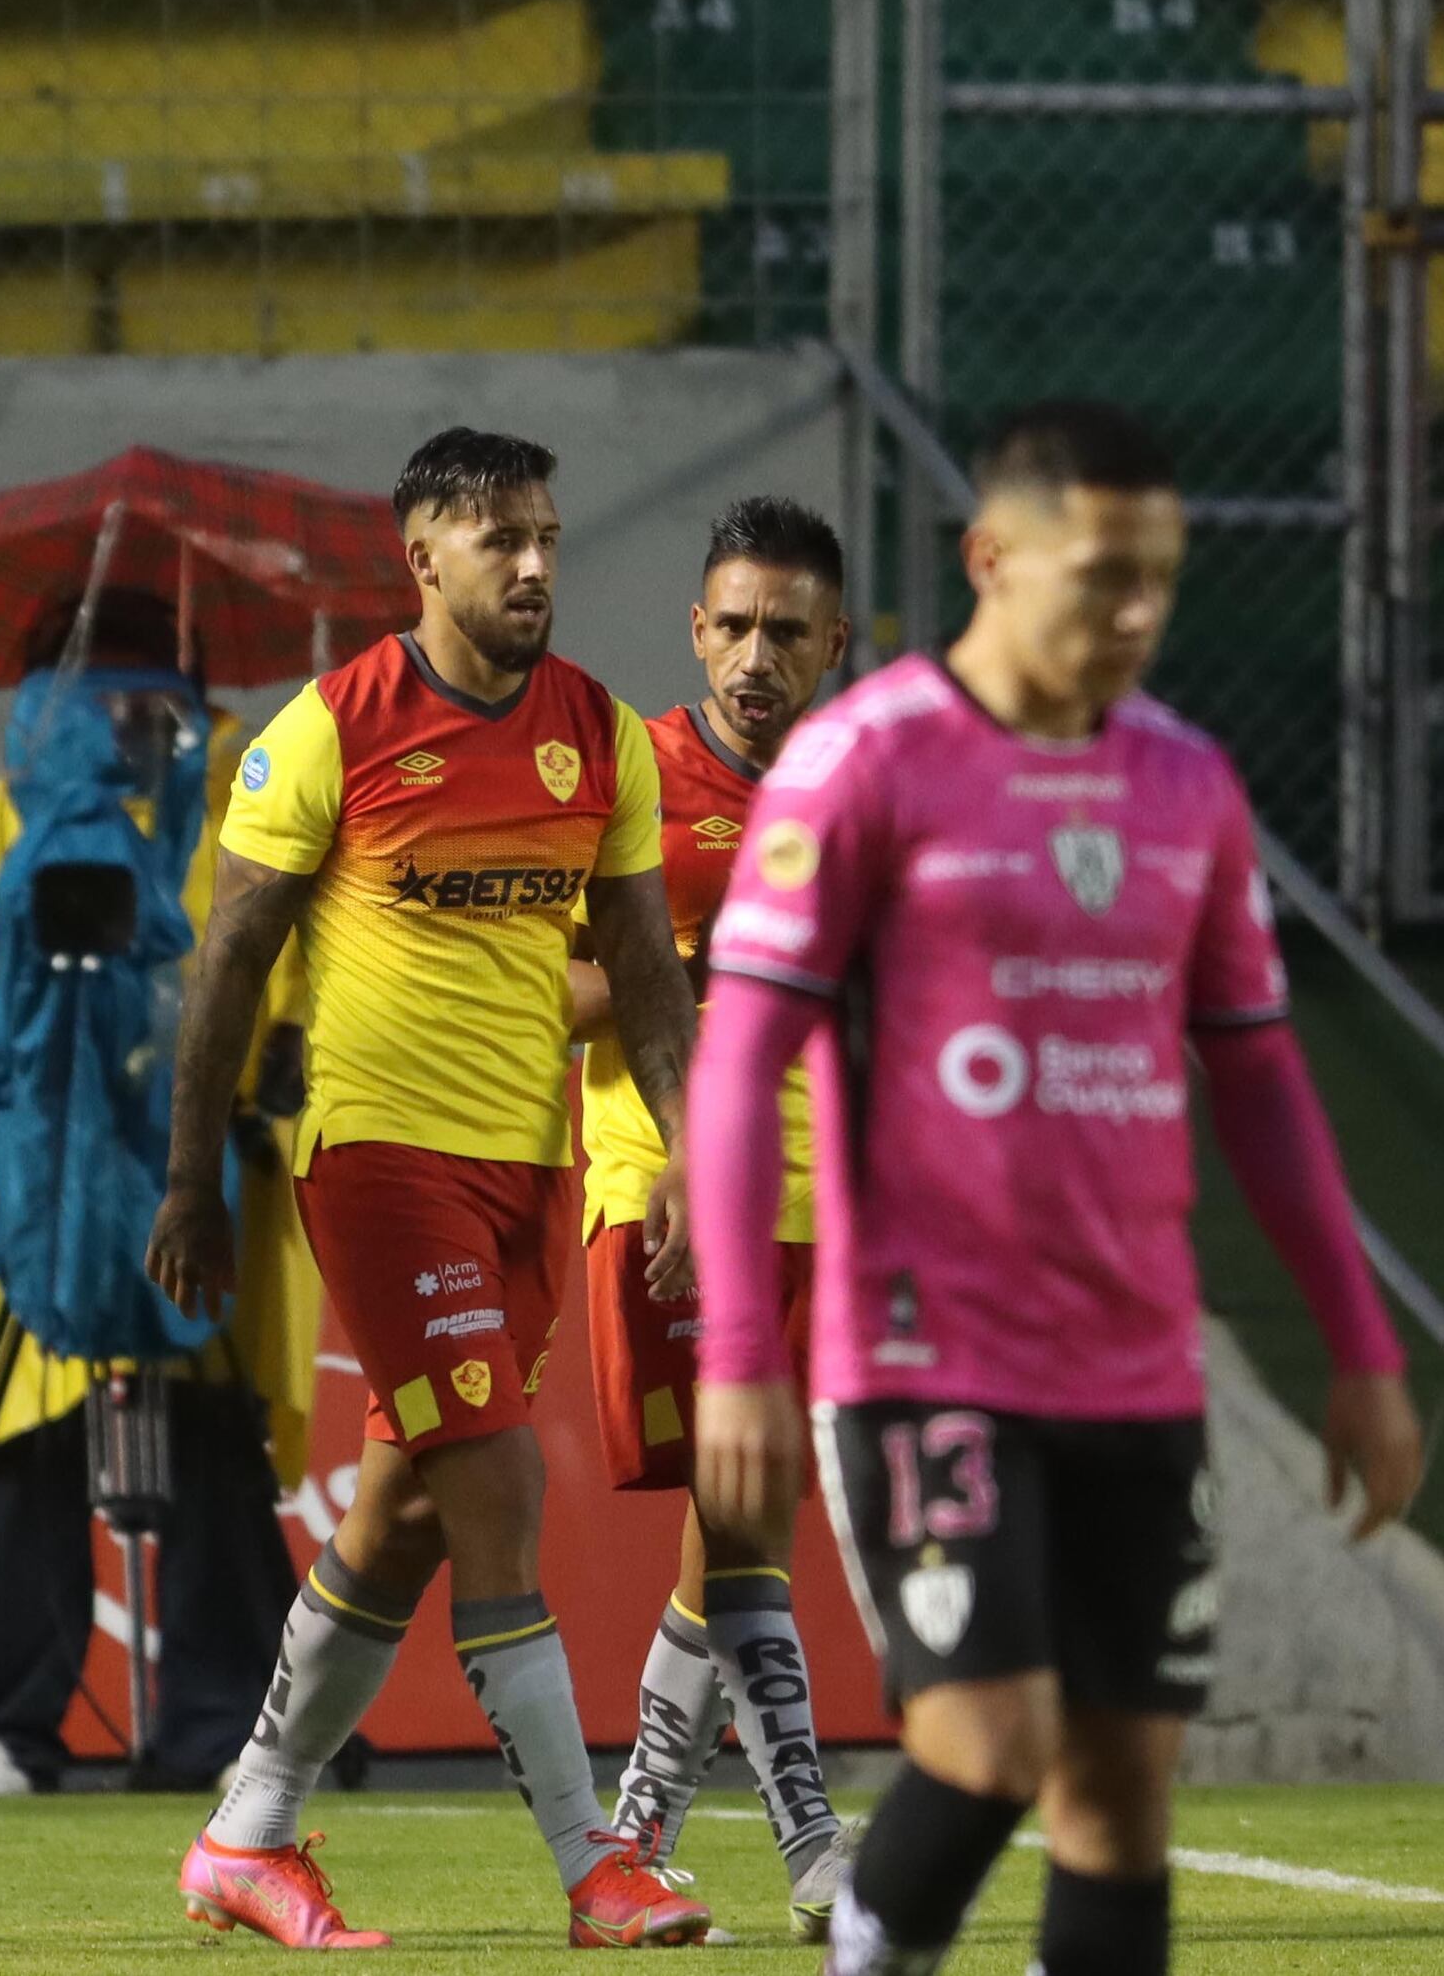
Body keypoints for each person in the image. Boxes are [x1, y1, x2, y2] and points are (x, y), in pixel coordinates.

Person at [690, 402, 1424, 1976]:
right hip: (923, 1353)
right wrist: (742, 1350)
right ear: (992, 559)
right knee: (993, 1737)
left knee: (1121, 1796)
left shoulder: (1189, 785)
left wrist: (1359, 1346)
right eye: (1101, 578)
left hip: (1138, 1366)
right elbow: (741, 1061)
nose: (1136, 617)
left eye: (1160, 580)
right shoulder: (865, 761)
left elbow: (1263, 1081)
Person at [147, 427, 715, 1951]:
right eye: (498, 542)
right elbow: (230, 965)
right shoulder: (328, 733)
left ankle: (246, 1834)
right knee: (499, 1488)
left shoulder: (598, 733)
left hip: (528, 1170)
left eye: (546, 535)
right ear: (423, 560)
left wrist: (685, 1155)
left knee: (399, 1513)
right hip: (380, 1158)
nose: (533, 566)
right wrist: (193, 1179)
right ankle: (596, 1867)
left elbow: (650, 978)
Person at [0, 588, 316, 1799]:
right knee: (24, 1448)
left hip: (196, 1199)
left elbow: (291, 1004)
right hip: (32, 1215)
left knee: (206, 1439)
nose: (125, 723)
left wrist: (263, 1093)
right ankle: (7, 1731)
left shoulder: (227, 832)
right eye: (100, 694)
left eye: (150, 697)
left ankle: (222, 1731)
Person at [572, 497, 856, 1932]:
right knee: (746, 1514)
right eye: (734, 626)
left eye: (786, 633)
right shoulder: (632, 777)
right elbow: (547, 986)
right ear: (696, 629)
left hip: (826, 1201)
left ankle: (642, 1828)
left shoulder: (861, 794)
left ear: (833, 647)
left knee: (738, 1520)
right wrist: (671, 964)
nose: (756, 657)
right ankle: (812, 1842)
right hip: (665, 1184)